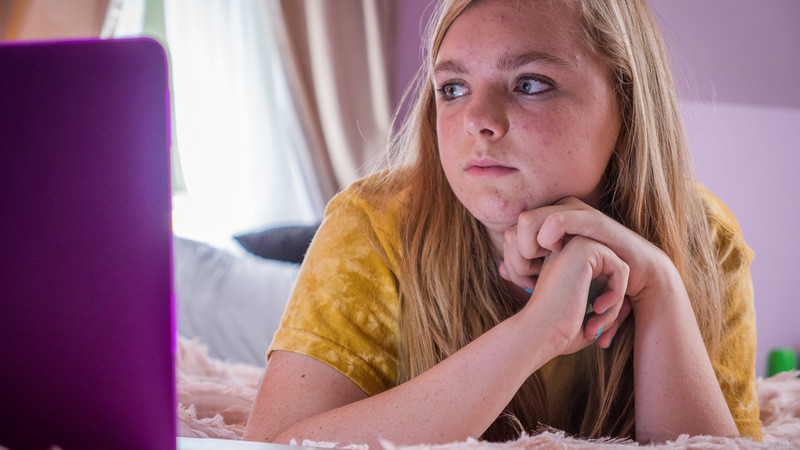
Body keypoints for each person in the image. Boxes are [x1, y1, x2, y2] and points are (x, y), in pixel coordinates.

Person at [243, 0, 760, 445]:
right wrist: (536, 331)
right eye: (453, 88)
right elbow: (274, 444)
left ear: (626, 104)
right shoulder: (374, 225)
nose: (477, 120)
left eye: (529, 84)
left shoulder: (705, 240)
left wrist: (660, 287)